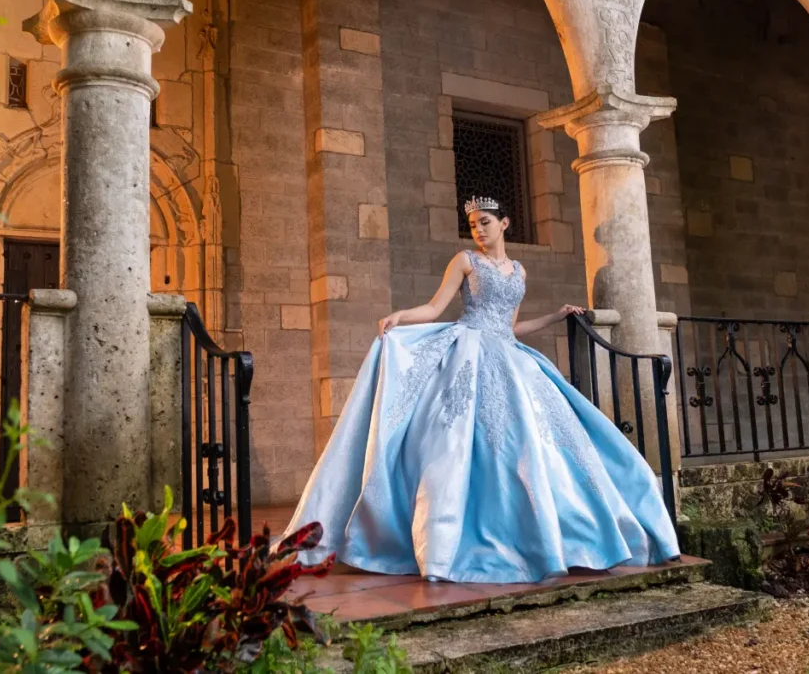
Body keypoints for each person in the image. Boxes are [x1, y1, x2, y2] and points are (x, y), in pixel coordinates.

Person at [281, 196, 680, 583]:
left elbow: (511, 327)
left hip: (509, 355)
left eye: (485, 223)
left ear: (504, 224)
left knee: (538, 438)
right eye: (473, 225)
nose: (478, 230)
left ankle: (550, 533)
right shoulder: (465, 261)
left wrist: (556, 316)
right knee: (455, 440)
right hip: (467, 350)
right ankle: (444, 538)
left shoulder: (519, 271)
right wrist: (401, 316)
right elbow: (435, 308)